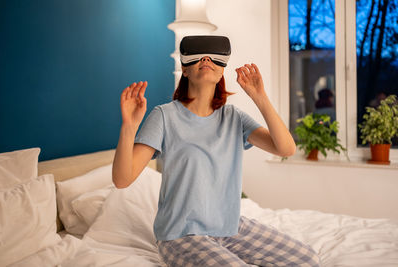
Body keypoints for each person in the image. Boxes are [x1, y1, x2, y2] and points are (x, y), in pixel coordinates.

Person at [112, 36, 320, 267]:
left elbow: (286, 148)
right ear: (185, 69)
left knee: (306, 259)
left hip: (229, 227)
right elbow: (122, 180)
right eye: (198, 56)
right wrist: (129, 127)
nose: (207, 59)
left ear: (222, 71)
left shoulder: (234, 117)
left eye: (213, 57)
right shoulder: (164, 116)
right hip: (181, 235)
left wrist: (260, 97)